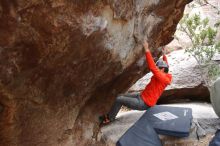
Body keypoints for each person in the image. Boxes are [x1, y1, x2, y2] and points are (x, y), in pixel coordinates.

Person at [99, 40, 172, 125]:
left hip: (144, 103)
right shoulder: (164, 73)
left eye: (158, 67)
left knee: (119, 100)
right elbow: (166, 65)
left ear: (162, 69)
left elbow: (152, 67)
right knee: (120, 95)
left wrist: (146, 49)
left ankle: (110, 118)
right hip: (142, 95)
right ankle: (112, 112)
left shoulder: (163, 78)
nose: (157, 68)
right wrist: (164, 55)